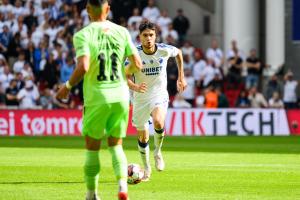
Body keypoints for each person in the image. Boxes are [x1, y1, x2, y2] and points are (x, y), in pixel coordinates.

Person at [56, 1, 142, 200]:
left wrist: (67, 87)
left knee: (92, 147)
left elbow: (84, 66)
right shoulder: (122, 31)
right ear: (108, 9)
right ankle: (122, 187)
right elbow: (137, 63)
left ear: (87, 10)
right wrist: (122, 72)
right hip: (121, 96)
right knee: (116, 145)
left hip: (97, 97)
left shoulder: (83, 34)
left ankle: (91, 194)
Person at [126, 20, 187, 181]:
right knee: (143, 136)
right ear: (139, 37)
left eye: (151, 35)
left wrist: (181, 77)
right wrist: (135, 86)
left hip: (159, 95)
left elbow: (179, 53)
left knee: (159, 122)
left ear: (155, 36)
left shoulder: (164, 50)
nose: (148, 38)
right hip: (139, 99)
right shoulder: (133, 55)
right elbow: (124, 77)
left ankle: (157, 152)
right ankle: (146, 168)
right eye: (145, 35)